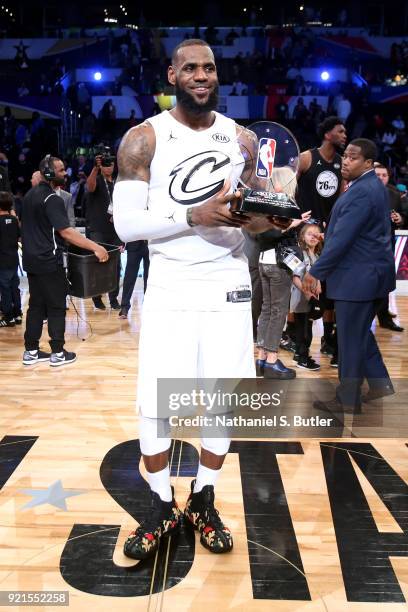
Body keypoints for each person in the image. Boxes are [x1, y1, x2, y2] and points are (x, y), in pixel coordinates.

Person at [112, 39, 292, 560]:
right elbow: (125, 225)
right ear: (172, 74)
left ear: (218, 76)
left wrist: (277, 222)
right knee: (156, 405)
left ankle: (203, 499)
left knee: (223, 402)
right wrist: (193, 216)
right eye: (189, 66)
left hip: (228, 282)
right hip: (170, 282)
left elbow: (257, 213)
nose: (201, 74)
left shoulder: (242, 139)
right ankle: (160, 502)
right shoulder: (144, 139)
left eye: (209, 67)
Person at [303, 139, 396, 414]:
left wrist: (316, 271)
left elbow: (344, 239)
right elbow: (351, 234)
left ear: (369, 164)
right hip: (369, 276)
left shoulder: (362, 191)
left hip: (358, 279)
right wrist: (329, 235)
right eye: (346, 156)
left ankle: (348, 400)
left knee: (350, 340)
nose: (345, 161)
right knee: (358, 335)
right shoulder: (371, 186)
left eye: (354, 158)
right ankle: (379, 384)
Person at [21, 156, 108, 367]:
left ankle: (31, 351)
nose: (65, 173)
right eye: (60, 170)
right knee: (57, 307)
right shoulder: (52, 199)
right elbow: (67, 232)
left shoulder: (29, 195)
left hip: (32, 261)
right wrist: (96, 247)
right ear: (49, 173)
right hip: (49, 261)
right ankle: (58, 353)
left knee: (35, 306)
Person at [296, 116, 347, 362]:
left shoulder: (341, 164)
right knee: (302, 289)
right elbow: (288, 187)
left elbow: (339, 200)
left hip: (328, 236)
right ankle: (297, 340)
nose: (344, 135)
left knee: (329, 293)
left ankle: (327, 340)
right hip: (304, 234)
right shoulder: (306, 158)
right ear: (328, 134)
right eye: (340, 131)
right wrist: (297, 221)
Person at [86, 154, 122, 310]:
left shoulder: (118, 183)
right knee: (99, 265)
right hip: (98, 229)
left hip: (115, 230)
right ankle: (97, 297)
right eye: (105, 165)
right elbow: (90, 186)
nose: (109, 167)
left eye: (111, 164)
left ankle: (114, 299)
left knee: (115, 266)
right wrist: (95, 168)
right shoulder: (97, 180)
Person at [373, 162, 404, 332]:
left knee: (385, 282)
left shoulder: (394, 194)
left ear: (388, 177)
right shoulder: (360, 192)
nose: (381, 178)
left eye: (384, 175)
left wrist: (400, 218)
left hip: (386, 245)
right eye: (377, 175)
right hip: (365, 245)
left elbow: (403, 215)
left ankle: (384, 318)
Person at [290, 223, 323, 370]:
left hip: (310, 300)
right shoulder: (300, 254)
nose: (313, 236)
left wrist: (319, 286)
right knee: (303, 331)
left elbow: (317, 276)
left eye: (316, 234)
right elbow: (295, 277)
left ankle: (300, 354)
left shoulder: (316, 255)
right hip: (300, 300)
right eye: (310, 233)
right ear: (302, 236)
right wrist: (306, 292)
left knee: (307, 328)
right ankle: (302, 359)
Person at [0, 192, 21, 327]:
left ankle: (8, 317)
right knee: (15, 287)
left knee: (5, 289)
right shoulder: (14, 220)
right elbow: (19, 236)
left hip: (2, 261)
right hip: (13, 259)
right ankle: (17, 314)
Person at [118, 240, 150, 318]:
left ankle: (148, 305)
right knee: (129, 277)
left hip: (152, 244)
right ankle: (124, 307)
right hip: (133, 244)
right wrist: (121, 243)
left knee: (149, 277)